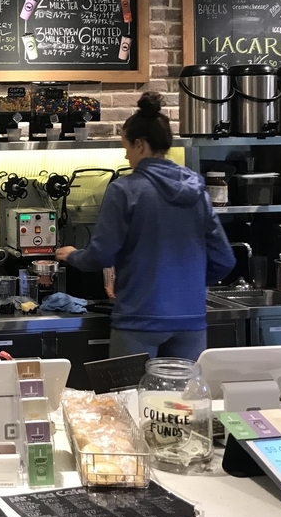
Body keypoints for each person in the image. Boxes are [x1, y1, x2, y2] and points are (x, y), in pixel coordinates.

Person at [55, 91, 235, 360]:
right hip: (190, 320)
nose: (126, 156)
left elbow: (101, 255)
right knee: (183, 390)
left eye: (126, 147)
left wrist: (72, 255)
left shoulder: (125, 190)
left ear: (140, 145)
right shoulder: (196, 190)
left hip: (139, 318)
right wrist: (188, 283)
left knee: (130, 388)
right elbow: (224, 259)